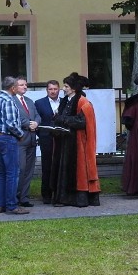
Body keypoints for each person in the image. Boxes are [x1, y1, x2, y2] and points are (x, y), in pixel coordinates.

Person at [50, 72, 100, 207]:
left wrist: (62, 119)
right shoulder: (65, 101)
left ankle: (79, 199)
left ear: (73, 88)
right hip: (65, 142)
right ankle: (64, 198)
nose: (64, 88)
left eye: (66, 86)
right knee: (64, 169)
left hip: (77, 144)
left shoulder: (83, 102)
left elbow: (82, 122)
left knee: (79, 171)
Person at [0, 76, 28, 215]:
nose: (19, 88)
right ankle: (12, 205)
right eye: (17, 86)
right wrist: (21, 134)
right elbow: (11, 124)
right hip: (7, 138)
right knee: (12, 173)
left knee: (2, 173)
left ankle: (0, 205)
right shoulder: (9, 101)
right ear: (12, 88)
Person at [11, 77, 40, 208]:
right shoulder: (11, 101)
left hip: (32, 139)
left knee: (29, 170)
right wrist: (28, 124)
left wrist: (37, 123)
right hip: (20, 140)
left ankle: (24, 197)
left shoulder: (29, 101)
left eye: (26, 85)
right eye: (22, 85)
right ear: (15, 87)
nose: (25, 87)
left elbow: (37, 115)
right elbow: (14, 118)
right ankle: (15, 197)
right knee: (20, 169)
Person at [34, 80, 61, 204]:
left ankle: (60, 193)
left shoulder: (64, 102)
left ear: (59, 89)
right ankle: (46, 194)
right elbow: (36, 121)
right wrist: (42, 135)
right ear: (47, 90)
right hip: (46, 139)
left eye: (55, 89)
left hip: (61, 139)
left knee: (61, 166)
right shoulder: (39, 103)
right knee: (47, 167)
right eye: (51, 89)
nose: (53, 91)